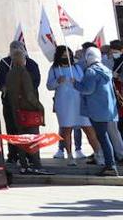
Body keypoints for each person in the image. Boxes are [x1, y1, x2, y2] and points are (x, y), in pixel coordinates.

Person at [2, 42, 49, 174]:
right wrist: (40, 107)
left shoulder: (10, 74)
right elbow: (29, 94)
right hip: (28, 110)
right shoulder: (24, 73)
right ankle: (36, 165)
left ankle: (24, 164)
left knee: (21, 139)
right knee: (33, 139)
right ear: (22, 60)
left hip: (16, 110)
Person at [74, 46, 119, 176]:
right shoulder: (106, 70)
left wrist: (75, 84)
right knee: (107, 137)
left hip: (97, 110)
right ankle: (111, 164)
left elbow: (88, 89)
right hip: (109, 109)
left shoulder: (91, 71)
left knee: (103, 138)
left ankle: (110, 166)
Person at [0, 40, 40, 164]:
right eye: (14, 49)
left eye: (19, 49)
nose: (16, 52)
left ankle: (31, 157)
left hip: (28, 105)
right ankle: (14, 154)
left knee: (29, 131)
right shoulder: (5, 63)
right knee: (12, 130)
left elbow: (36, 82)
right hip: (10, 104)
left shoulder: (31, 64)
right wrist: (3, 87)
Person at [48, 45, 90, 166]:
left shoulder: (76, 67)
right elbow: (49, 85)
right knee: (66, 129)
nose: (66, 57)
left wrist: (76, 82)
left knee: (87, 127)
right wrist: (57, 82)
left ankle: (98, 154)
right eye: (63, 55)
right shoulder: (54, 69)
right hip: (63, 102)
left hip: (79, 102)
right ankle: (70, 155)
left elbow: (83, 81)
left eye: (68, 55)